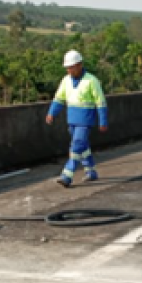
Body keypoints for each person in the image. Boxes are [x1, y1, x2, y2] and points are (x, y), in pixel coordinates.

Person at [46, 50, 108, 188]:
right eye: (67, 67)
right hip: (72, 120)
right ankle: (91, 171)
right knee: (82, 146)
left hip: (85, 120)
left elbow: (101, 102)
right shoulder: (66, 81)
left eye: (71, 67)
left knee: (76, 145)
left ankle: (67, 174)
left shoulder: (92, 80)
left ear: (79, 65)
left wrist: (103, 121)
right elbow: (59, 99)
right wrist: (51, 113)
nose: (69, 70)